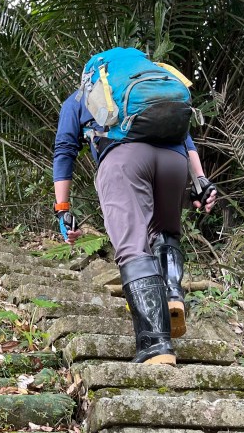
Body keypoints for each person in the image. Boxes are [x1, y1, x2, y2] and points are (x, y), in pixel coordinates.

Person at [52, 56, 217, 365]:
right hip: (174, 163)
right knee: (165, 233)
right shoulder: (158, 88)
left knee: (132, 247)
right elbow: (186, 137)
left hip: (124, 162)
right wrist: (201, 181)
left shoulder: (79, 98)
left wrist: (63, 209)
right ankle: (171, 294)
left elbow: (65, 151)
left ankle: (155, 344)